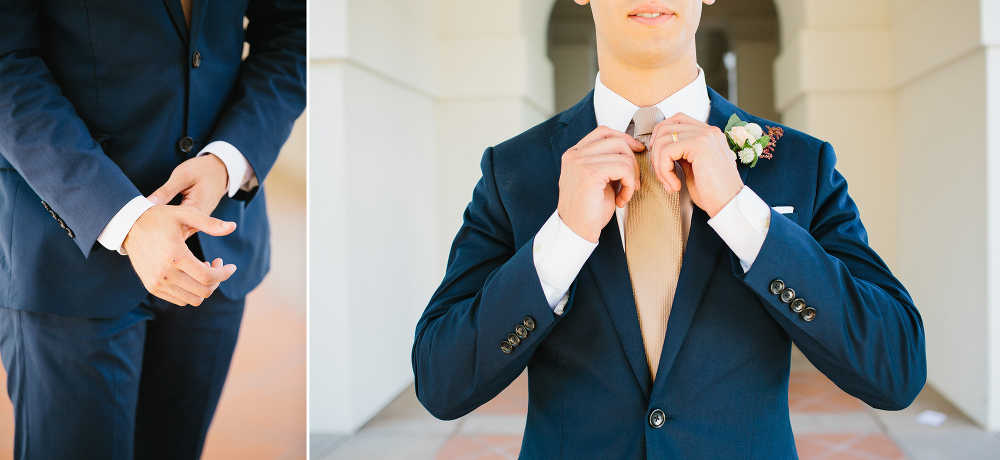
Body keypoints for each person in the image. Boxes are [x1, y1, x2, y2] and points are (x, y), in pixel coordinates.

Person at [412, 0, 926, 458]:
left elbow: (896, 366)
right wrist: (564, 238)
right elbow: (441, 382)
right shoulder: (514, 171)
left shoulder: (801, 163)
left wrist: (740, 214)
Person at [0, 1, 305, 458]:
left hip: (213, 256)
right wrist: (124, 219)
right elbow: (8, 63)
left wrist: (226, 162)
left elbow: (292, 32)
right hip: (69, 258)